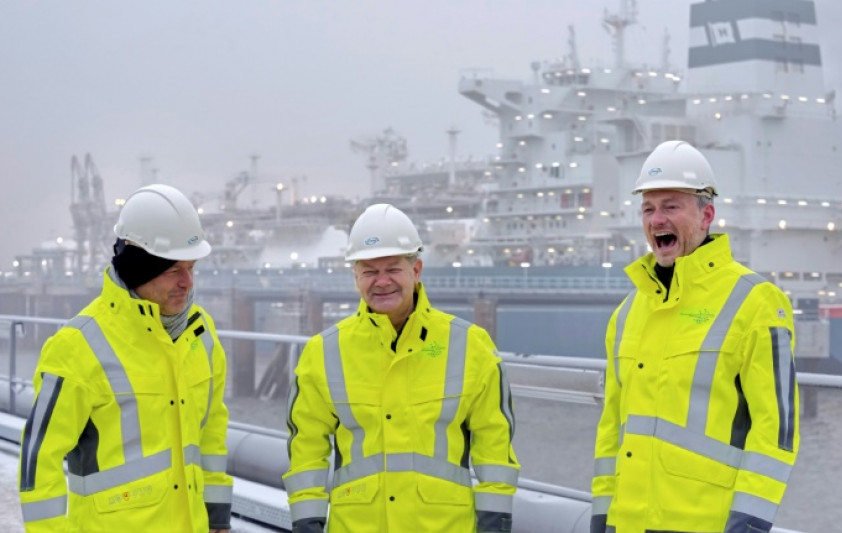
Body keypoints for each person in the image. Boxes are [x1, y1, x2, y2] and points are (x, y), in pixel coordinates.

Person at [590, 141, 799, 533]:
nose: (657, 220)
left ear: (707, 216)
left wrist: (749, 526)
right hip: (627, 523)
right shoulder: (626, 314)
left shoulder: (755, 302)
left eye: (671, 206)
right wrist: (602, 518)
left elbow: (776, 433)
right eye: (649, 209)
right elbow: (611, 429)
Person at [284, 203, 519, 533]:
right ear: (355, 277)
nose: (381, 282)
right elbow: (306, 448)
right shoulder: (323, 352)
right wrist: (306, 523)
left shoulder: (471, 345)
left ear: (417, 270)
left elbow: (495, 445)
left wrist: (495, 525)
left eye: (393, 269)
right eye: (369, 271)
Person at [17, 184, 233, 532]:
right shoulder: (77, 347)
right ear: (138, 268)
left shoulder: (200, 332)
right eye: (173, 270)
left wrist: (218, 513)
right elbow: (38, 461)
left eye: (192, 268)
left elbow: (211, 431)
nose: (188, 283)